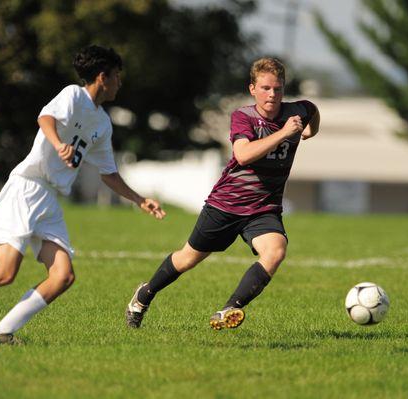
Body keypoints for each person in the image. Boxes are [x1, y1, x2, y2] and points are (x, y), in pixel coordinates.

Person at [0, 45, 165, 344]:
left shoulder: (103, 123)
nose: (120, 83)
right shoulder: (73, 95)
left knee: (63, 276)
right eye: (117, 76)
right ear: (102, 77)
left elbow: (108, 173)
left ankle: (0, 333)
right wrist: (58, 144)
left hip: (48, 199)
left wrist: (139, 199)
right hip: (26, 189)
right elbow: (45, 118)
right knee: (2, 273)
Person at [125, 57, 320, 330]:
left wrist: (309, 130)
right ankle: (143, 295)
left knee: (275, 251)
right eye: (265, 88)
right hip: (226, 205)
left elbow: (312, 110)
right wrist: (284, 134)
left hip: (264, 209)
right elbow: (243, 154)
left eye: (277, 88)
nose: (272, 94)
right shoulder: (244, 117)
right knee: (187, 259)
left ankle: (230, 309)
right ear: (252, 89)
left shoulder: (297, 111)